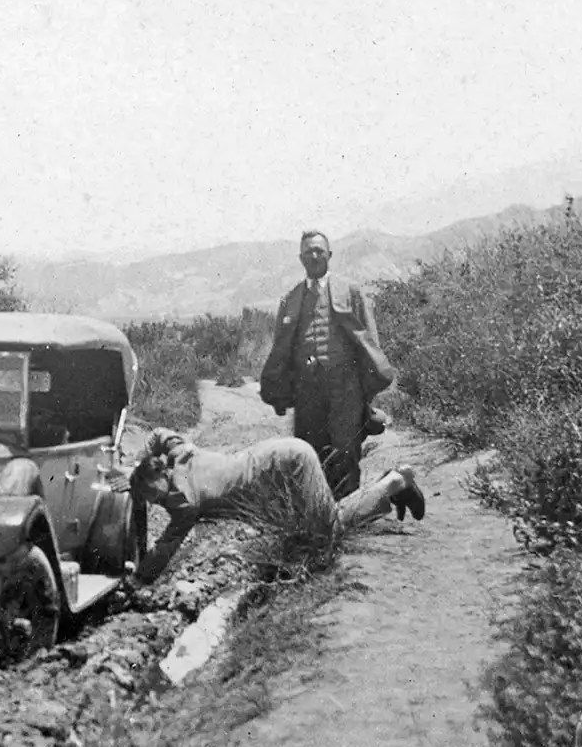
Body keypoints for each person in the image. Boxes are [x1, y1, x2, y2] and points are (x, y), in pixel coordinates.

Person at [113, 427, 424, 584]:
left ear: (163, 474)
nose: (154, 499)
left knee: (329, 529)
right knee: (321, 524)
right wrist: (135, 467)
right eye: (147, 496)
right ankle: (391, 488)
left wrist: (140, 579)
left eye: (154, 491)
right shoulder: (180, 454)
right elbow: (158, 434)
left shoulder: (185, 501)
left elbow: (166, 546)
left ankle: (395, 482)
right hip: (279, 456)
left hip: (289, 465)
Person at [259, 231, 398, 497]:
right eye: (308, 252)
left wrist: (368, 384)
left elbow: (369, 338)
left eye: (319, 251)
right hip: (307, 390)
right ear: (301, 258)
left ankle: (349, 510)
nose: (314, 256)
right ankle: (319, 512)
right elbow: (282, 346)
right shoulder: (290, 299)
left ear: (329, 255)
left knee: (346, 449)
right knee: (309, 452)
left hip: (345, 386)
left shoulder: (350, 291)